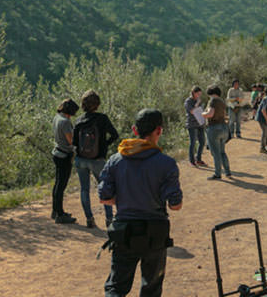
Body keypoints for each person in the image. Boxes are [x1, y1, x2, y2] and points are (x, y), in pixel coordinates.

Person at [98, 109, 182, 297]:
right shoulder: (167, 164)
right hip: (156, 232)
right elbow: (175, 205)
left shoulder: (115, 160)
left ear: (135, 130)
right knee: (151, 288)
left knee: (116, 287)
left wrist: (125, 199)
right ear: (159, 131)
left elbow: (104, 197)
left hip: (124, 232)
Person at [73, 90, 119, 228]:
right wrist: (104, 145)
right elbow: (114, 135)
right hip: (98, 160)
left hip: (81, 160)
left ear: (83, 105)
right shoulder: (102, 118)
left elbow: (75, 143)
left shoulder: (78, 120)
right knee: (105, 187)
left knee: (84, 189)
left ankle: (89, 219)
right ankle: (109, 219)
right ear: (97, 104)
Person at [51, 98, 79, 224]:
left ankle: (55, 211)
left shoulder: (57, 117)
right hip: (64, 155)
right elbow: (70, 141)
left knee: (57, 184)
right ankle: (60, 214)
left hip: (57, 152)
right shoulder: (66, 122)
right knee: (61, 185)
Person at [202, 85, 231, 179]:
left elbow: (210, 114)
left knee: (215, 153)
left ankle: (218, 174)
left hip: (214, 128)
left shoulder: (213, 101)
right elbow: (225, 115)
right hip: (224, 128)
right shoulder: (222, 102)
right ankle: (228, 172)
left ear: (211, 93)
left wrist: (202, 114)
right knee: (222, 152)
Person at [184, 86, 207, 167]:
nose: (199, 96)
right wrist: (197, 103)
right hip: (192, 124)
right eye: (198, 94)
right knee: (193, 142)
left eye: (200, 94)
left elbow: (201, 111)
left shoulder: (199, 100)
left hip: (200, 123)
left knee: (202, 142)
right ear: (193, 93)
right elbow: (192, 111)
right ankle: (192, 160)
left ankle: (198, 159)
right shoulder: (188, 101)